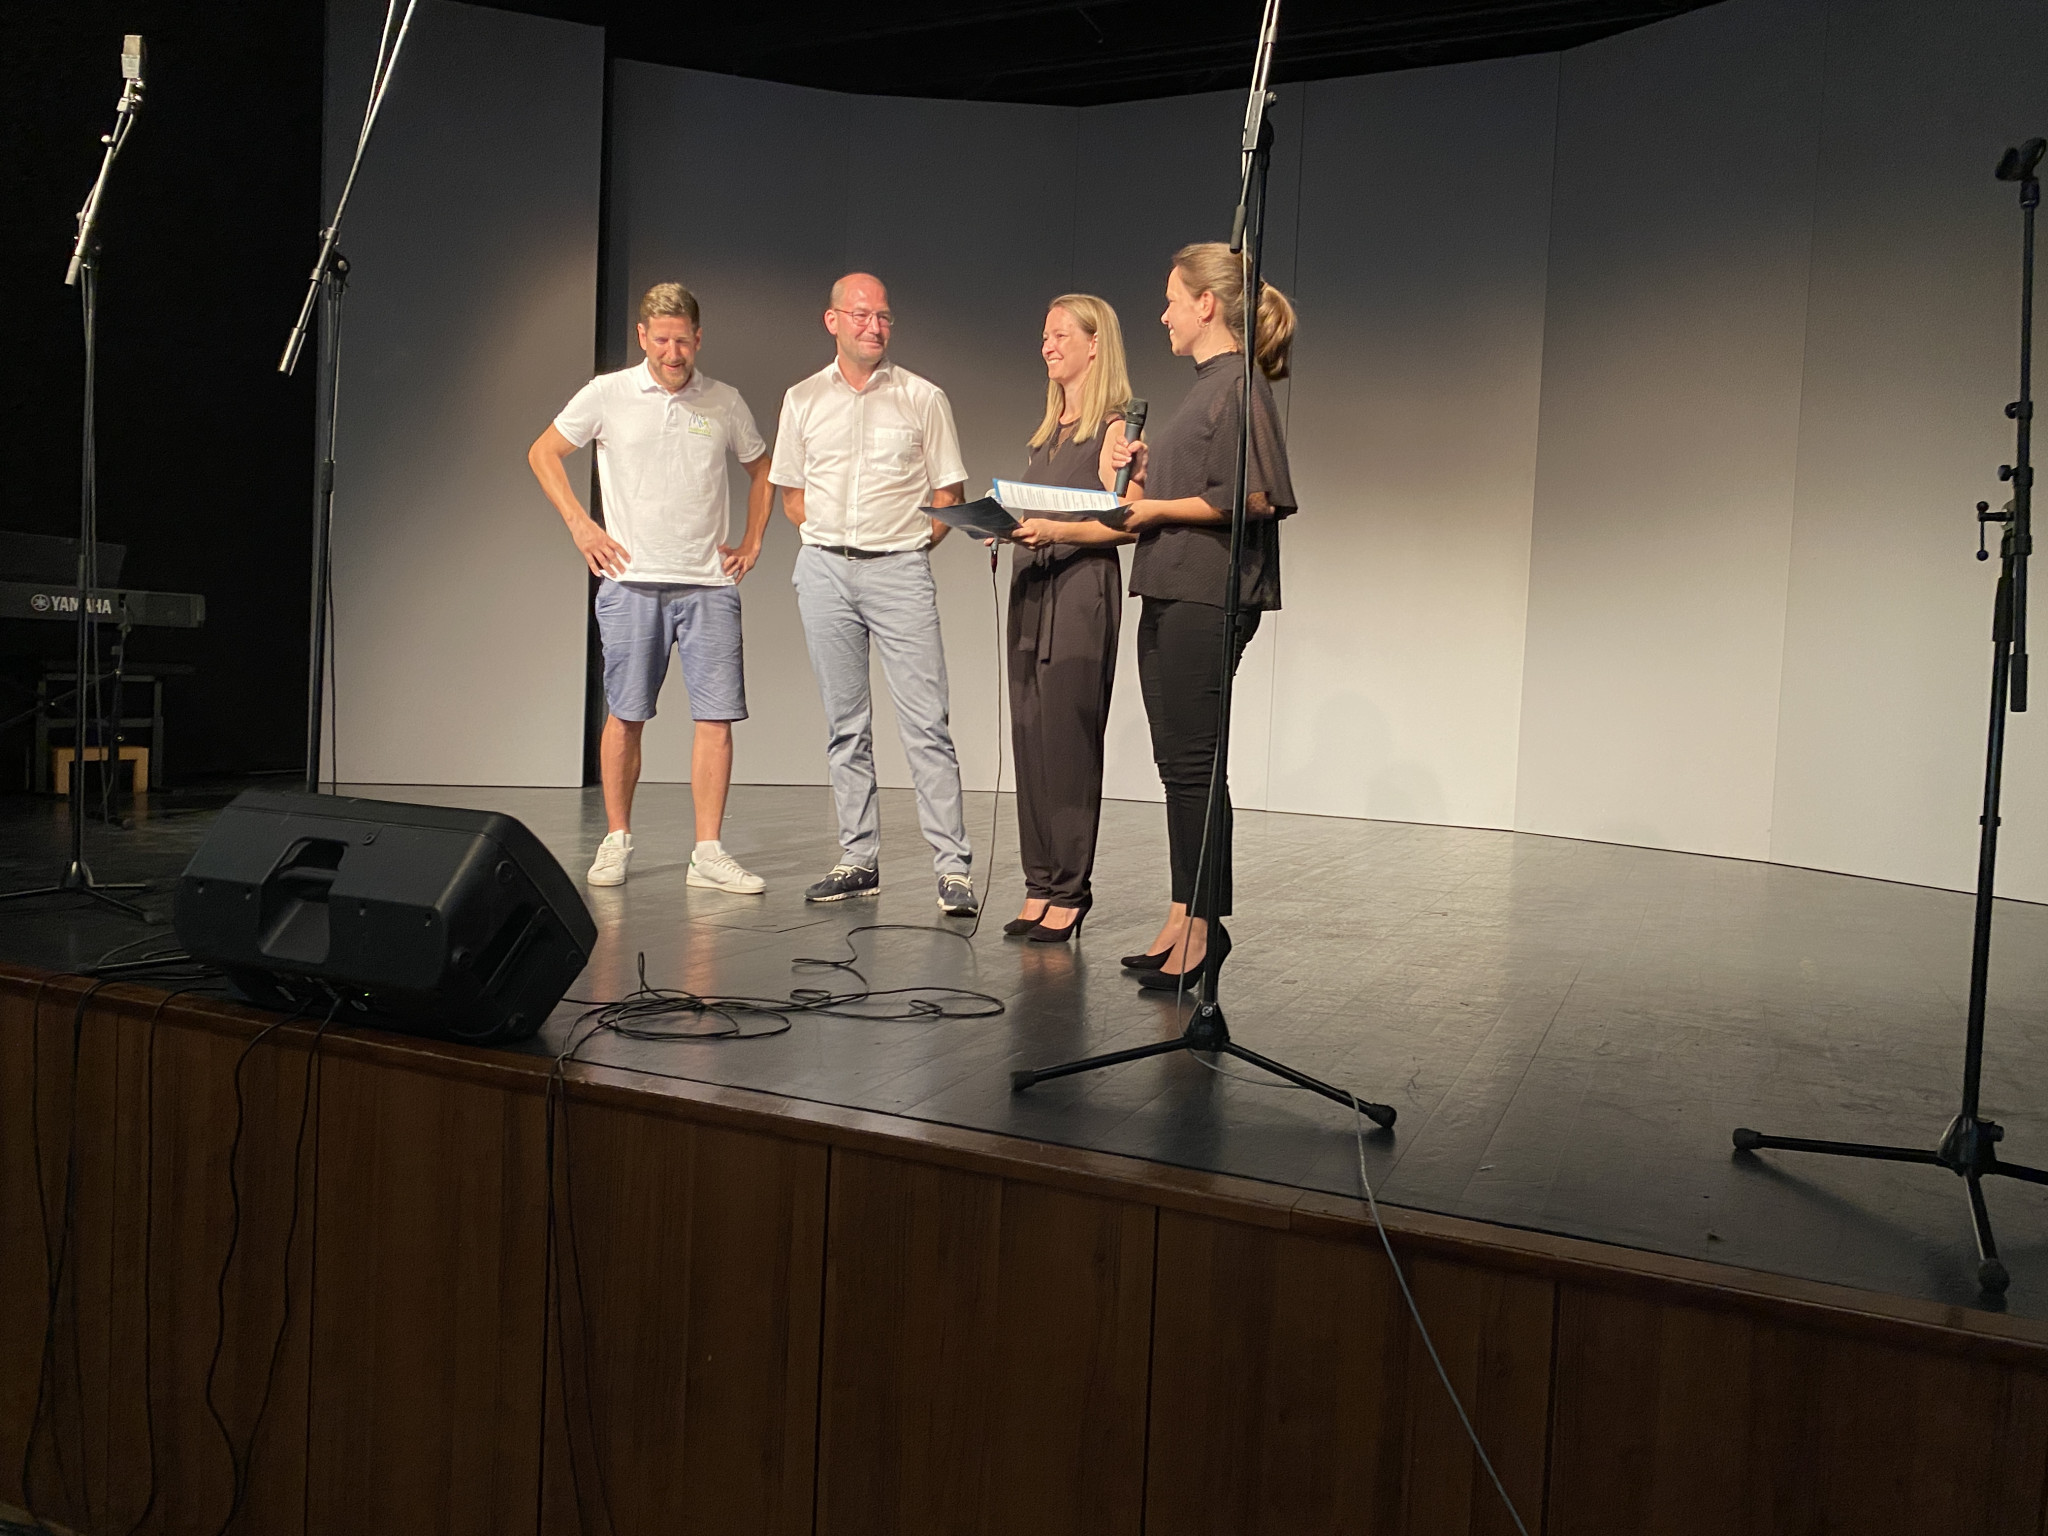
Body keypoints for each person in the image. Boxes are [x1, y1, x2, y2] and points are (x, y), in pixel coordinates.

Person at [528, 280, 773, 894]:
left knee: (716, 718)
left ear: (699, 338)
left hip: (708, 584)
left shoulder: (724, 400)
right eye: (661, 340)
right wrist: (581, 525)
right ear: (642, 336)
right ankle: (616, 839)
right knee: (626, 714)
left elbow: (763, 468)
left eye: (682, 341)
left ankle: (708, 852)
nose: (672, 353)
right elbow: (543, 453)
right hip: (631, 582)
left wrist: (752, 541)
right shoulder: (607, 394)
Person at [1107, 242, 1298, 991]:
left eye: (1172, 300)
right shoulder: (1206, 389)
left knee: (1194, 766)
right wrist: (1142, 476)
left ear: (1206, 304)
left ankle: (1204, 929)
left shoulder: (1240, 384)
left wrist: (1155, 508)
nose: (1164, 315)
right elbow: (1203, 483)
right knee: (1178, 766)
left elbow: (1257, 496)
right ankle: (1183, 915)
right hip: (1171, 584)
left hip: (1208, 592)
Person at [769, 272, 979, 915]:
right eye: (861, 315)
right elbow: (791, 495)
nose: (874, 326)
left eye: (883, 316)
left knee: (927, 723)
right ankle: (858, 860)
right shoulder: (803, 398)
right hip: (824, 572)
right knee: (845, 727)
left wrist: (904, 546)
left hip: (899, 572)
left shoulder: (922, 397)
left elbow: (948, 494)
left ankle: (953, 869)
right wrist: (834, 540)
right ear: (832, 320)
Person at [1000, 296, 1134, 943]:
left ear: (1094, 344)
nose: (1047, 346)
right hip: (1032, 586)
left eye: (1060, 335)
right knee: (1030, 736)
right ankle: (1039, 883)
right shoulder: (1049, 432)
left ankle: (1070, 891)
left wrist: (1056, 529)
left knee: (1068, 744)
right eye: (1045, 335)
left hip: (1080, 591)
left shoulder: (1113, 428)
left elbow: (1127, 520)